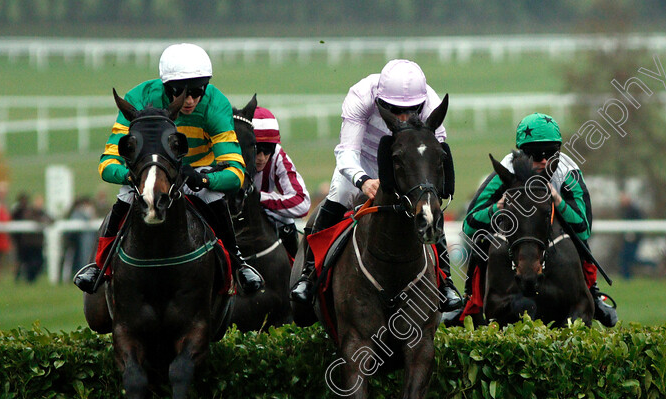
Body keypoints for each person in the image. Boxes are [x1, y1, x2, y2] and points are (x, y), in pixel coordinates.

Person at [73, 43, 263, 294]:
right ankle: (99, 265)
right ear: (165, 87)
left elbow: (236, 173)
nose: (191, 100)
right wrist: (131, 176)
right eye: (181, 92)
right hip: (150, 171)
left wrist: (205, 181)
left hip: (197, 169)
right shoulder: (138, 99)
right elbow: (107, 164)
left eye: (198, 92)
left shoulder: (216, 104)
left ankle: (238, 263)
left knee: (212, 195)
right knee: (126, 196)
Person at [289, 59, 462, 311]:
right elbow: (347, 152)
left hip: (405, 168)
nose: (403, 116)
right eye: (395, 109)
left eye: (412, 110)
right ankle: (308, 277)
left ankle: (445, 282)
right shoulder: (361, 95)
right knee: (338, 195)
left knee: (428, 208)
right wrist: (363, 180)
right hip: (362, 164)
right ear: (381, 102)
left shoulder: (431, 103)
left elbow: (431, 154)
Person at [463, 112, 618, 327]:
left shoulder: (568, 172)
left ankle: (592, 294)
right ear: (522, 154)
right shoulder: (505, 171)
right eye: (536, 155)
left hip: (554, 224)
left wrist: (558, 201)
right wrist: (495, 209)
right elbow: (469, 224)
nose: (544, 161)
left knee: (578, 241)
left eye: (551, 153)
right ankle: (470, 298)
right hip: (513, 229)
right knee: (483, 241)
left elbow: (583, 228)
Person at [251, 106, 310, 257]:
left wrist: (259, 197)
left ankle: (295, 274)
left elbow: (302, 203)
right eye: (257, 149)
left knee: (285, 220)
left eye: (268, 150)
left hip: (262, 215)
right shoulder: (231, 152)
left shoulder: (278, 155)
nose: (262, 158)